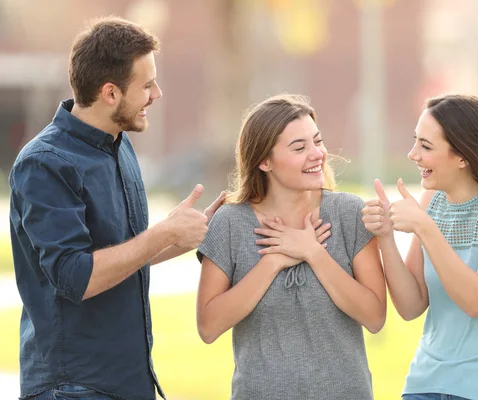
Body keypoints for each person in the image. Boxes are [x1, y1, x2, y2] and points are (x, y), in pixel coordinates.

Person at [9, 17, 224, 400]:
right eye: (146, 85)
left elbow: (122, 255)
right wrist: (163, 232)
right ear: (110, 93)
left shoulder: (119, 146)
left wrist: (187, 235)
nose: (156, 93)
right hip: (72, 388)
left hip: (128, 382)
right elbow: (77, 277)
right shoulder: (44, 164)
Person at [195, 94, 387, 400]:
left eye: (317, 141)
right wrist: (273, 261)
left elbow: (375, 317)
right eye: (299, 148)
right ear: (264, 161)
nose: (318, 154)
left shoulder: (349, 213)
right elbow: (208, 327)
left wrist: (313, 252)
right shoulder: (230, 223)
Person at [361, 94, 478, 400]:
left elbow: (477, 300)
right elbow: (411, 306)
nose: (412, 154)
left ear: (463, 156)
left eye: (426, 146)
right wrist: (385, 237)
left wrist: (425, 227)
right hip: (426, 384)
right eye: (415, 142)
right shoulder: (430, 201)